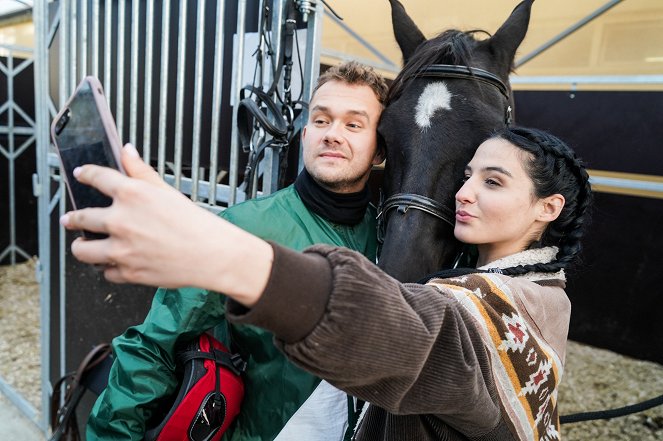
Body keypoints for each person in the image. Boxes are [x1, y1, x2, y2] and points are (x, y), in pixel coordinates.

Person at [62, 126, 593, 440]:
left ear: (549, 208)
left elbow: (411, 335)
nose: (464, 192)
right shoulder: (544, 288)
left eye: (493, 182)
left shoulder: (502, 307)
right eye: (468, 175)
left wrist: (219, 251)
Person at [85, 61, 388, 441]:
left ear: (380, 149)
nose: (332, 134)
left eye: (353, 124)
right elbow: (154, 348)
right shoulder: (245, 226)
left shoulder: (390, 241)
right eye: (322, 120)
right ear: (306, 132)